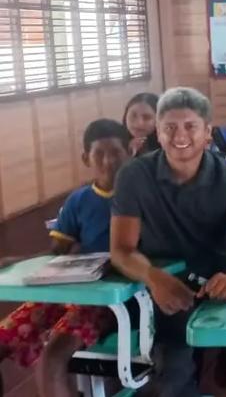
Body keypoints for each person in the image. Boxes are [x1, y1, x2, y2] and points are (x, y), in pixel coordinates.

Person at [110, 87, 226, 397]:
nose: (180, 135)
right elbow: (121, 250)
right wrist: (154, 278)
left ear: (207, 132)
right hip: (161, 285)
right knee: (169, 377)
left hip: (219, 283)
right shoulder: (133, 176)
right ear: (158, 132)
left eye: (190, 126)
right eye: (170, 127)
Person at [0, 119, 130, 397]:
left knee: (53, 356)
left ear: (129, 152)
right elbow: (57, 250)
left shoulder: (141, 198)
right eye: (99, 154)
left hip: (109, 300)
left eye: (115, 152)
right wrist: (18, 260)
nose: (108, 161)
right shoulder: (78, 200)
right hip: (71, 289)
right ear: (86, 158)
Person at [122, 92, 160, 156]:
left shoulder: (167, 147)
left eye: (147, 117)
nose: (139, 123)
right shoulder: (115, 141)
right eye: (133, 115)